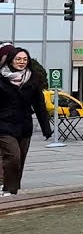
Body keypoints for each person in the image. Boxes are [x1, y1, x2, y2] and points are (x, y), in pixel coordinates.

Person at [0, 48, 53, 195]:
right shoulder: (1, 78)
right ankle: (8, 188)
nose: (21, 62)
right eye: (18, 59)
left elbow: (39, 105)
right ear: (11, 60)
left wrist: (46, 128)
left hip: (24, 126)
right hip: (4, 126)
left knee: (20, 160)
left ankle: (12, 191)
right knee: (13, 156)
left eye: (24, 59)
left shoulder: (32, 78)